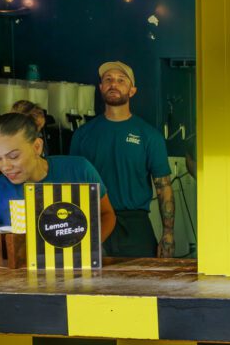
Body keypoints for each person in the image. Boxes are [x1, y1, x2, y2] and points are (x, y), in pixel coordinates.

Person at [0, 112, 115, 251]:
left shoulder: (80, 169)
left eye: (14, 156)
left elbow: (106, 215)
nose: (5, 166)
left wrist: (85, 248)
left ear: (37, 147)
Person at [69, 61, 175, 258]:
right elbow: (73, 186)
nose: (113, 84)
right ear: (101, 88)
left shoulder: (149, 136)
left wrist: (168, 233)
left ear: (132, 90)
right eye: (108, 80)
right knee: (91, 287)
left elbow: (163, 187)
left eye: (121, 80)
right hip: (95, 222)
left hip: (136, 224)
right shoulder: (82, 135)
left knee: (142, 286)